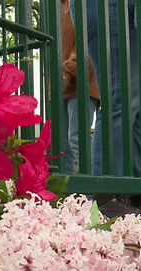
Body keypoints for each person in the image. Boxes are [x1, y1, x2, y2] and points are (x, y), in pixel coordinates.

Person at [70, 0, 141, 220]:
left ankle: (136, 193)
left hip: (133, 9)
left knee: (138, 105)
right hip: (113, 7)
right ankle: (104, 196)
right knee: (121, 98)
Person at [61, 0, 100, 175]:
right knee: (61, 146)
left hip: (82, 82)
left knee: (78, 138)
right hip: (61, 86)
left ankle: (95, 191)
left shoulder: (82, 5)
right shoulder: (60, 8)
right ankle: (65, 194)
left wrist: (66, 72)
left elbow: (86, 44)